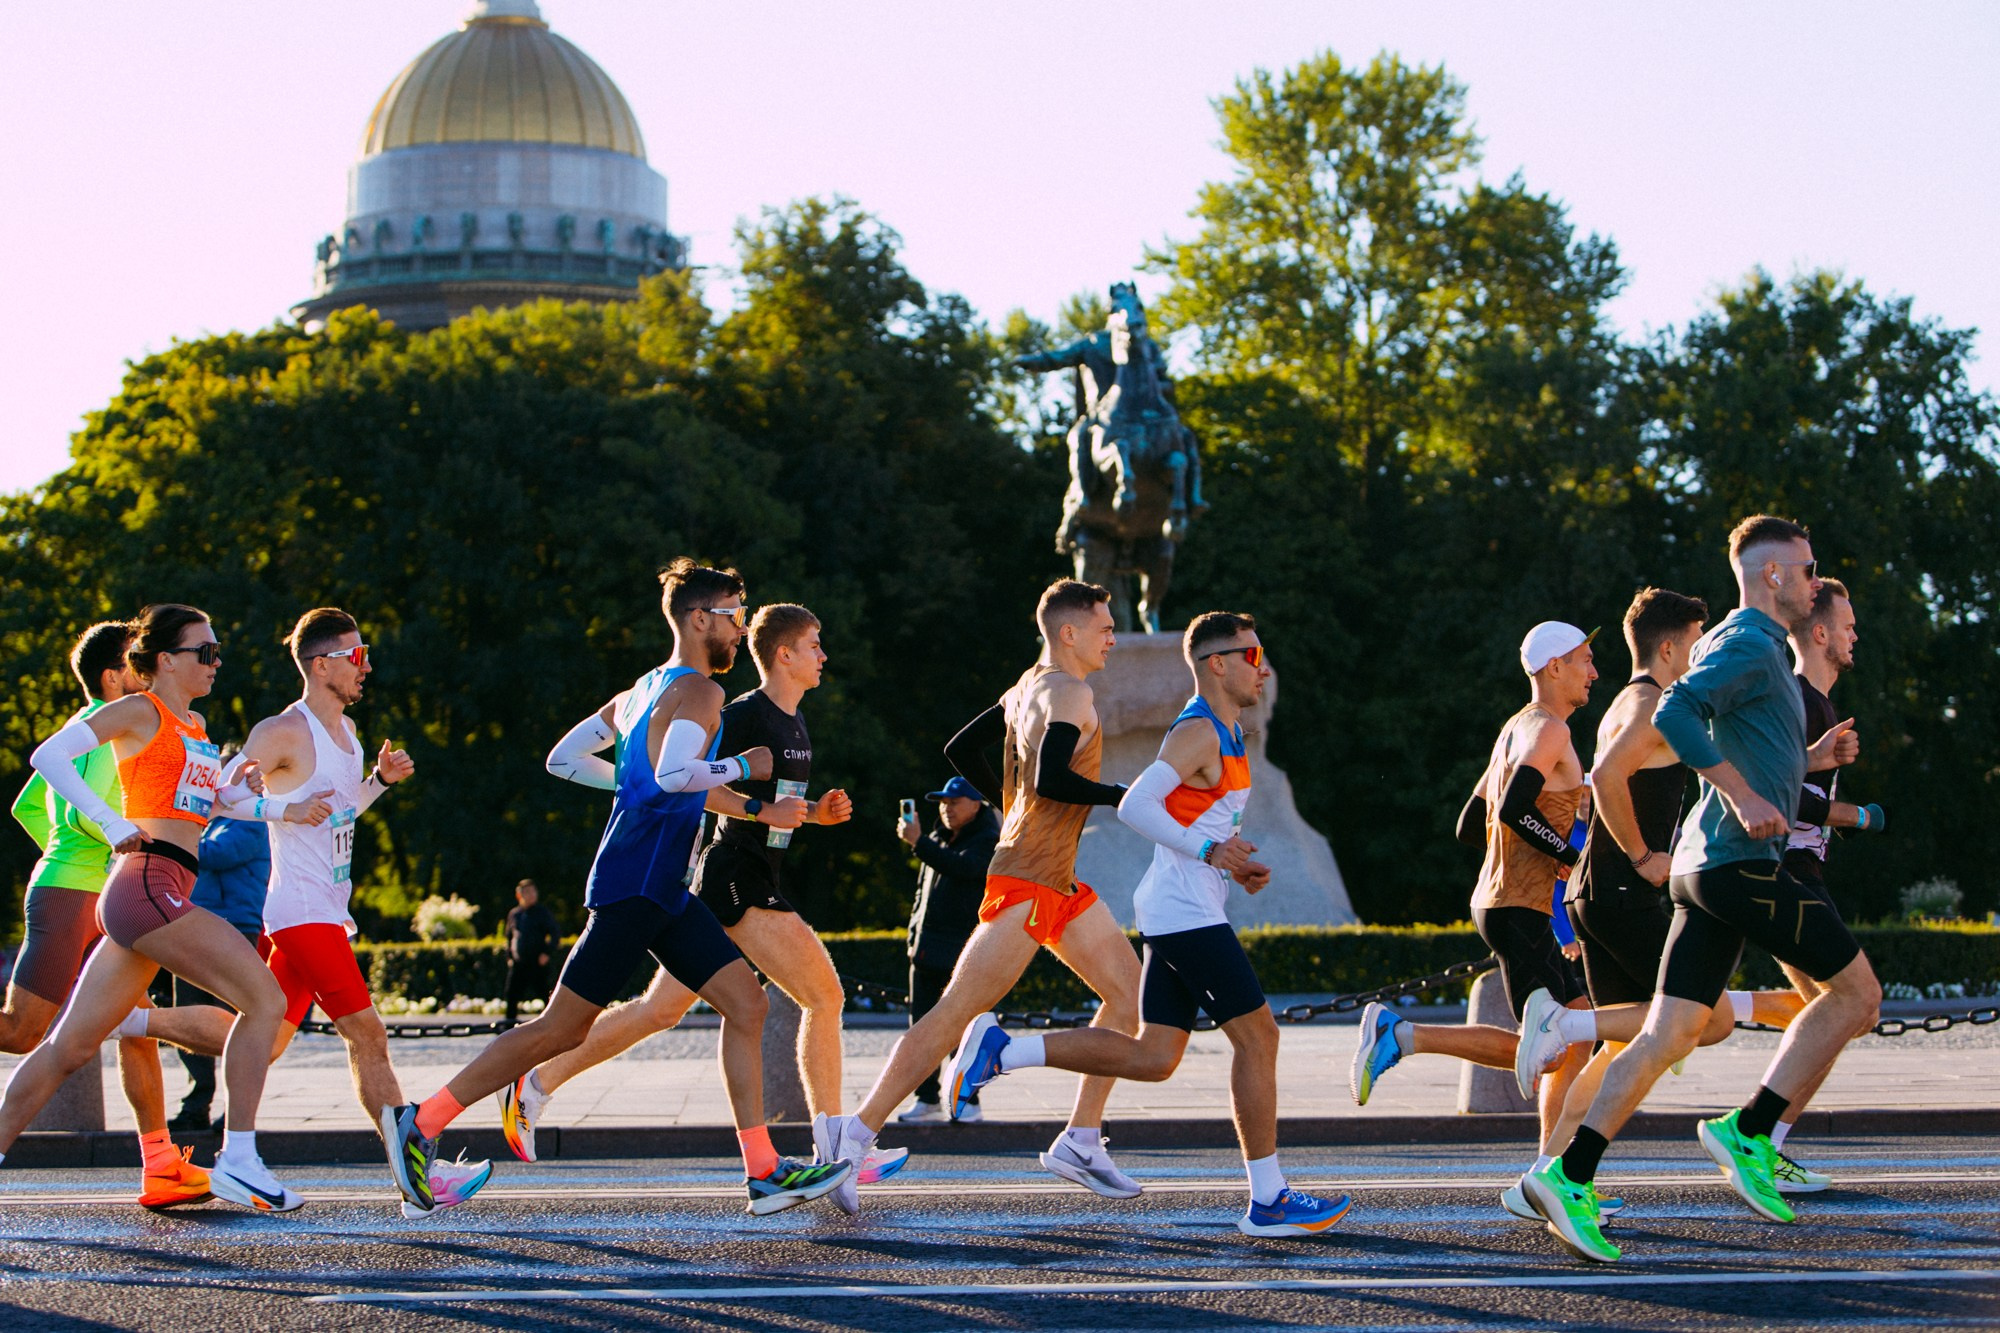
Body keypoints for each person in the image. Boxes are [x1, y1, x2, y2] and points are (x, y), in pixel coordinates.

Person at [387, 561, 851, 1217]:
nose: (739, 626)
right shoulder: (699, 691)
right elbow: (671, 775)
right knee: (559, 1027)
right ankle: (422, 1121)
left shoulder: (640, 690)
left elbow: (568, 759)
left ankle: (765, 1169)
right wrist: (744, 766)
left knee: (746, 1005)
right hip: (636, 885)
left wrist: (639, 786)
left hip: (663, 887)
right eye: (732, 613)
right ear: (698, 619)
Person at [1524, 516, 1881, 1264]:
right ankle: (1751, 1130)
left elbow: (1746, 736)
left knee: (1666, 1034)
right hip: (1736, 863)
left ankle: (1567, 1173)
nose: (1817, 584)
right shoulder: (1750, 641)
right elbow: (1680, 712)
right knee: (1855, 996)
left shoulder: (1743, 647)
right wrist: (1741, 796)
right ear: (1774, 575)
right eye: (1809, 570)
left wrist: (1807, 758)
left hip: (1702, 867)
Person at [947, 612, 1352, 1236]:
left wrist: (1229, 860)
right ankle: (1268, 1198)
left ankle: (1004, 1051)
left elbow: (1203, 821)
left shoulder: (1232, 728)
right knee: (1260, 1037)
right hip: (1184, 911)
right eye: (1253, 654)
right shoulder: (1198, 730)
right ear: (1217, 663)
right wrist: (1210, 853)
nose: (1263, 667)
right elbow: (1137, 803)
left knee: (1155, 1055)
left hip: (1185, 905)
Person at [497, 604, 899, 1185]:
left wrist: (814, 815)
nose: (824, 656)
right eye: (815, 645)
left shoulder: (794, 721)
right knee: (825, 996)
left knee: (659, 1012)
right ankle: (838, 1147)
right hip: (736, 876)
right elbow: (690, 784)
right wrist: (763, 805)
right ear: (783, 655)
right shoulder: (742, 716)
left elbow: (775, 807)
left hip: (740, 875)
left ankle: (536, 1081)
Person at [814, 579, 1144, 1216]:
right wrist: (1120, 797)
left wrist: (1009, 805)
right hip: (1026, 878)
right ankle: (850, 1142)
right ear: (1068, 632)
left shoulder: (1025, 686)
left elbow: (959, 749)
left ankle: (1080, 1140)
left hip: (1056, 880)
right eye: (1103, 626)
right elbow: (1052, 777)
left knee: (1129, 999)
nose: (1112, 636)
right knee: (952, 1014)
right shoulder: (1071, 691)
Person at [0, 604, 303, 1211]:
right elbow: (48, 758)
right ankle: (239, 1159)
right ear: (165, 660)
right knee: (266, 1000)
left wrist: (271, 804)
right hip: (146, 887)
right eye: (205, 652)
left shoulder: (194, 724)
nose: (217, 662)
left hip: (158, 889)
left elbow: (209, 808)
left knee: (68, 1049)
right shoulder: (141, 711)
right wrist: (112, 824)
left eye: (218, 652)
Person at [1522, 589, 1804, 1218]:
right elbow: (1611, 779)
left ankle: (1544, 1176)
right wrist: (1647, 858)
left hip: (1596, 895)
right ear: (1673, 646)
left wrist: (1804, 760)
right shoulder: (1653, 704)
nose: (1704, 651)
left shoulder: (1632, 701)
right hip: (1622, 894)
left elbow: (1716, 767)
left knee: (1621, 1050)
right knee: (1708, 1019)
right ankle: (1563, 1025)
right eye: (1699, 640)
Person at [1350, 622, 1659, 1180]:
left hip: (1507, 903)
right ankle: (1401, 1035)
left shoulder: (1514, 730)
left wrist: (1523, 855)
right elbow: (1515, 808)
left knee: (1580, 1027)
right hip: (1518, 909)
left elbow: (1474, 823)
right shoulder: (1550, 733)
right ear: (1553, 667)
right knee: (1545, 1045)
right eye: (1585, 661)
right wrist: (1564, 850)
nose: (1594, 672)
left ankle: (1552, 1169)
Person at [209, 607, 488, 1218]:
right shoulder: (284, 731)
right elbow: (218, 796)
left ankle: (131, 1026)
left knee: (267, 1036)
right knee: (368, 1034)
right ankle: (419, 1180)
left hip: (324, 911)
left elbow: (338, 814)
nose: (367, 666)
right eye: (357, 656)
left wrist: (378, 783)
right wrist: (280, 809)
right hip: (301, 911)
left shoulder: (348, 736)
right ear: (321, 664)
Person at [3, 621, 215, 1209]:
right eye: (135, 661)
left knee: (134, 1030)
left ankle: (160, 1163)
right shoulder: (110, 726)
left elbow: (27, 807)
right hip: (78, 891)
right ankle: (160, 1163)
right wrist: (114, 834)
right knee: (21, 1033)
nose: (147, 668)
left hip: (109, 890)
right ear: (112, 675)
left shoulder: (126, 724)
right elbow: (76, 812)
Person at [1763, 577, 1884, 1187]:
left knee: (1834, 1015)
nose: (1854, 634)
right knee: (1855, 1005)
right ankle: (1756, 1136)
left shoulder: (1820, 704)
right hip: (1785, 875)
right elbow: (1780, 797)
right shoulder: (1799, 701)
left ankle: (1767, 1144)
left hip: (1799, 873)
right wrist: (1860, 816)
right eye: (1847, 625)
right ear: (1819, 633)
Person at [168, 781, 270, 1132]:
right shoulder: (212, 821)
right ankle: (196, 1104)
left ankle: (234, 1109)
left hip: (234, 926)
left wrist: (178, 833)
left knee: (231, 1020)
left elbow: (217, 854)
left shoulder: (251, 820)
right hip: (193, 923)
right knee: (189, 1016)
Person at [896, 775, 1000, 1123]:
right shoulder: (938, 838)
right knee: (921, 1030)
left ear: (976, 804)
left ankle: (968, 1100)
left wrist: (919, 842)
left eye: (954, 802)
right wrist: (913, 938)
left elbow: (965, 868)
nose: (946, 808)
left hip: (963, 954)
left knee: (965, 1030)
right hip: (926, 952)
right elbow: (921, 897)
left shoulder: (988, 839)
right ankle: (926, 1100)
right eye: (943, 802)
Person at [503, 880, 559, 1026]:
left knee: (545, 995)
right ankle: (508, 1028)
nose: (531, 895)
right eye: (527, 892)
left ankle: (552, 1025)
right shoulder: (514, 914)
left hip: (537, 962)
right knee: (511, 995)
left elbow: (555, 933)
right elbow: (509, 937)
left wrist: (546, 953)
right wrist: (509, 956)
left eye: (533, 891)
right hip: (519, 963)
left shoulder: (542, 913)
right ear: (519, 895)